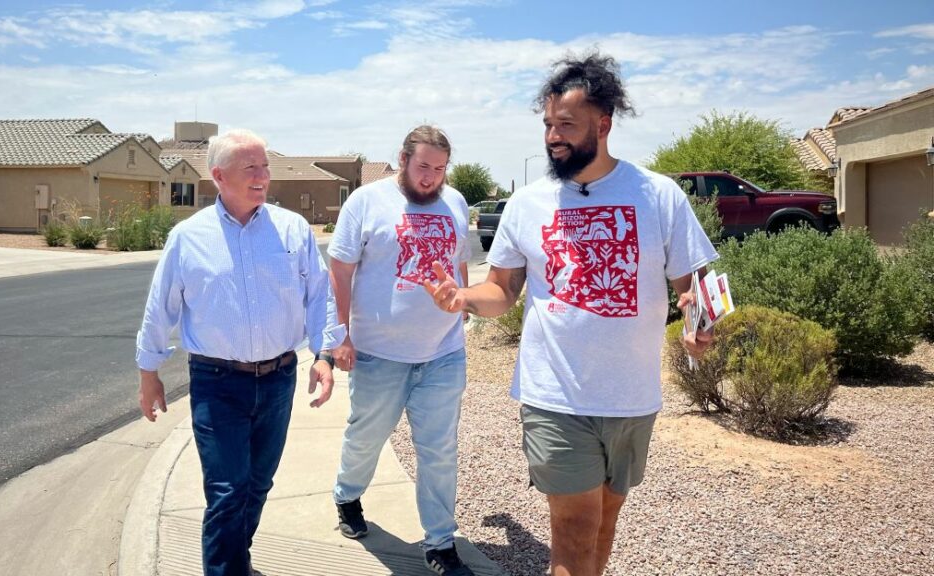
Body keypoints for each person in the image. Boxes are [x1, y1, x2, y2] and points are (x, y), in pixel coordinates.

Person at [424, 53, 718, 576]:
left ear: (603, 125)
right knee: (575, 532)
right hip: (555, 394)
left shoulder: (658, 195)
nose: (552, 137)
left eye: (566, 125)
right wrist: (464, 298)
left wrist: (699, 322)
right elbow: (503, 290)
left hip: (631, 396)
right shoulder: (528, 204)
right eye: (547, 125)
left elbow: (691, 286)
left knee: (604, 521)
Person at [135, 129, 334, 576]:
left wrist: (324, 355)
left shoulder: (292, 229)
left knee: (257, 485)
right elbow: (160, 306)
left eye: (265, 167)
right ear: (218, 175)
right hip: (216, 383)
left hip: (279, 379)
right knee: (227, 490)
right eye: (251, 168)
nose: (263, 176)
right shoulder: (188, 238)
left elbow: (320, 296)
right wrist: (149, 371)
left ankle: (234, 561)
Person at [321, 125, 476, 576]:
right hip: (378, 353)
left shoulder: (456, 202)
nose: (431, 178)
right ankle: (347, 494)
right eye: (424, 166)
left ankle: (441, 544)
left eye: (440, 169)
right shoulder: (366, 202)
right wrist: (341, 338)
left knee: (439, 450)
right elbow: (340, 272)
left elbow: (459, 260)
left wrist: (463, 302)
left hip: (444, 352)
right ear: (404, 159)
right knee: (365, 438)